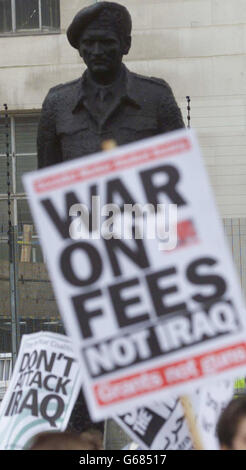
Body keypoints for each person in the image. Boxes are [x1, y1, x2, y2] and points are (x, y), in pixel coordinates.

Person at [37, 1, 184, 168]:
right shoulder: (57, 103)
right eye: (89, 42)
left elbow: (182, 169)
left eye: (107, 42)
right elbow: (46, 176)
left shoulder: (156, 97)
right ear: (79, 48)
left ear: (126, 45)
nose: (97, 51)